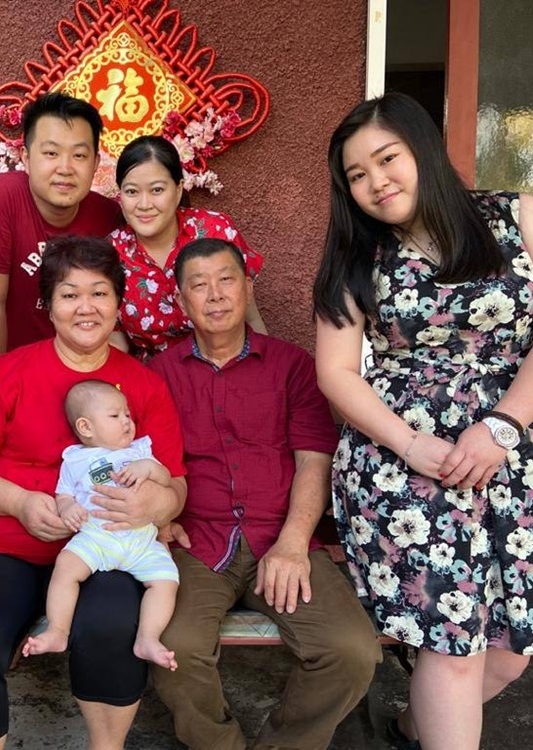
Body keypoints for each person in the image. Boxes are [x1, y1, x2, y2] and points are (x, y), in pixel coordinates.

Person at [312, 92, 533, 750]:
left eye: (387, 159)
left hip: (513, 456)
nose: (376, 182)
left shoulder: (520, 217)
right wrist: (413, 445)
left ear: (423, 151)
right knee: (457, 647)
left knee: (510, 649)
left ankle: (411, 726)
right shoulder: (357, 258)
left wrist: (500, 427)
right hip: (404, 467)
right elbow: (337, 373)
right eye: (357, 174)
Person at [0, 235, 187, 750]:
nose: (86, 307)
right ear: (47, 306)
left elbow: (174, 483)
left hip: (108, 549)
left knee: (112, 625)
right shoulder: (8, 373)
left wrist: (155, 504)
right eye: (69, 294)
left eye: (100, 293)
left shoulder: (144, 385)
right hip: (4, 545)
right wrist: (20, 502)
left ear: (119, 302)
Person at [148, 237, 380, 750]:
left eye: (227, 280)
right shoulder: (159, 375)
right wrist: (157, 517)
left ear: (247, 287)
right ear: (181, 300)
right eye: (199, 285)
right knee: (173, 646)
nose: (215, 295)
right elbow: (145, 460)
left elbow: (314, 459)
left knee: (351, 650)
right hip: (197, 541)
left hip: (282, 534)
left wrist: (295, 542)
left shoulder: (292, 366)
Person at [22, 379, 179, 670]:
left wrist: (149, 469)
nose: (126, 422)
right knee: (66, 567)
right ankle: (58, 630)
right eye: (115, 416)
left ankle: (148, 637)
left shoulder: (140, 451)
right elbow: (64, 493)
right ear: (86, 427)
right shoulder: (75, 460)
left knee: (167, 580)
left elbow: (166, 477)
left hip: (141, 539)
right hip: (96, 536)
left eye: (128, 415)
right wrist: (68, 509)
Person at [0, 92, 122, 363]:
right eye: (51, 153)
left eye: (79, 155)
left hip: (84, 375)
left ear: (96, 163)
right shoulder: (1, 197)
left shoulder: (109, 216)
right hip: (16, 367)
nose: (65, 168)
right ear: (26, 157)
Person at [109, 134, 268, 360]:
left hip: (230, 366)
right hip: (157, 380)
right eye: (132, 192)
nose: (144, 205)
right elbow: (116, 342)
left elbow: (251, 317)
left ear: (178, 189)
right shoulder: (111, 254)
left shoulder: (214, 230)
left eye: (156, 190)